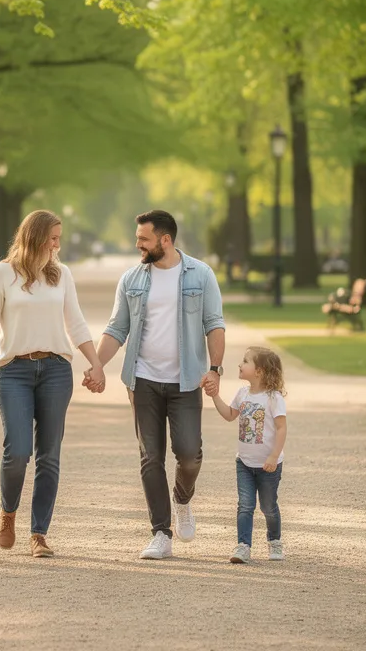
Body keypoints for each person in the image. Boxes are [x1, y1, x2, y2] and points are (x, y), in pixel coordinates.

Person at [0, 210, 105, 558]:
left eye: (59, 238)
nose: (57, 245)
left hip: (56, 370)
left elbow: (75, 323)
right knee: (17, 452)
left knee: (49, 455)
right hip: (14, 370)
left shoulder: (62, 275)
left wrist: (96, 363)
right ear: (35, 237)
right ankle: (8, 511)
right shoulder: (1, 274)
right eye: (53, 238)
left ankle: (39, 534)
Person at [96, 209, 226, 560]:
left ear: (165, 240)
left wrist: (215, 369)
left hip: (186, 380)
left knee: (188, 453)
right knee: (150, 457)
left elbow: (214, 324)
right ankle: (160, 532)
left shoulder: (200, 274)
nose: (137, 244)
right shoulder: (132, 279)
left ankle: (182, 499)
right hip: (143, 380)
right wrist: (96, 365)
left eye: (143, 238)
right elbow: (116, 328)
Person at [207, 347, 288, 564]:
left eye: (245, 361)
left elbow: (281, 428)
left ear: (259, 371)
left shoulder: (273, 398)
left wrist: (273, 456)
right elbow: (229, 415)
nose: (240, 365)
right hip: (244, 462)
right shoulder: (242, 394)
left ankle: (274, 541)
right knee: (245, 504)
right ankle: (243, 546)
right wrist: (215, 396)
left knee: (268, 507)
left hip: (269, 465)